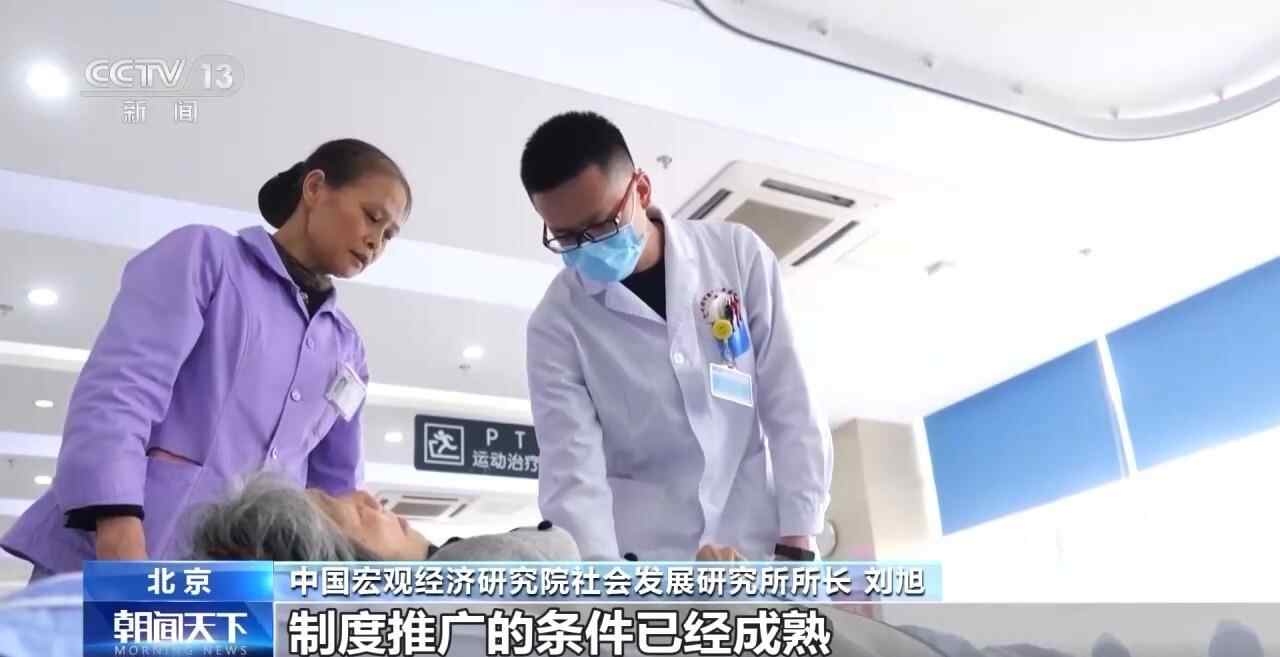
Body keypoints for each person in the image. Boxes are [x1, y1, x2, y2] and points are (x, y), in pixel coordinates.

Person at [0, 138, 411, 580]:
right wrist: (118, 530)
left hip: (238, 582)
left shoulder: (348, 349)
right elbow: (123, 389)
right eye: (373, 217)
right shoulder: (207, 258)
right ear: (314, 188)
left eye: (389, 235)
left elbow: (337, 494)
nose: (376, 242)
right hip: (125, 545)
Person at [520, 111, 833, 562]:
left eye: (601, 226)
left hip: (758, 537)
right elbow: (572, 471)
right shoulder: (556, 324)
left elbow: (790, 395)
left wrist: (799, 534)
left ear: (641, 189)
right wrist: (599, 582)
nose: (588, 248)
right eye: (567, 239)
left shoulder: (736, 255)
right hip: (648, 559)